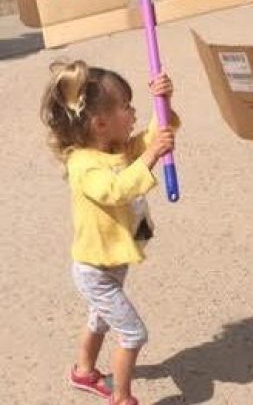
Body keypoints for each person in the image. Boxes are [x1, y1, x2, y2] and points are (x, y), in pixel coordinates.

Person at [41, 60, 180, 405]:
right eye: (127, 107)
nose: (134, 113)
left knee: (99, 319)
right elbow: (117, 189)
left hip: (112, 260)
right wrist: (150, 153)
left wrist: (163, 102)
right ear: (100, 123)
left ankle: (84, 371)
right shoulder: (84, 165)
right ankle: (121, 397)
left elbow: (153, 137)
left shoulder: (115, 147)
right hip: (94, 270)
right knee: (133, 333)